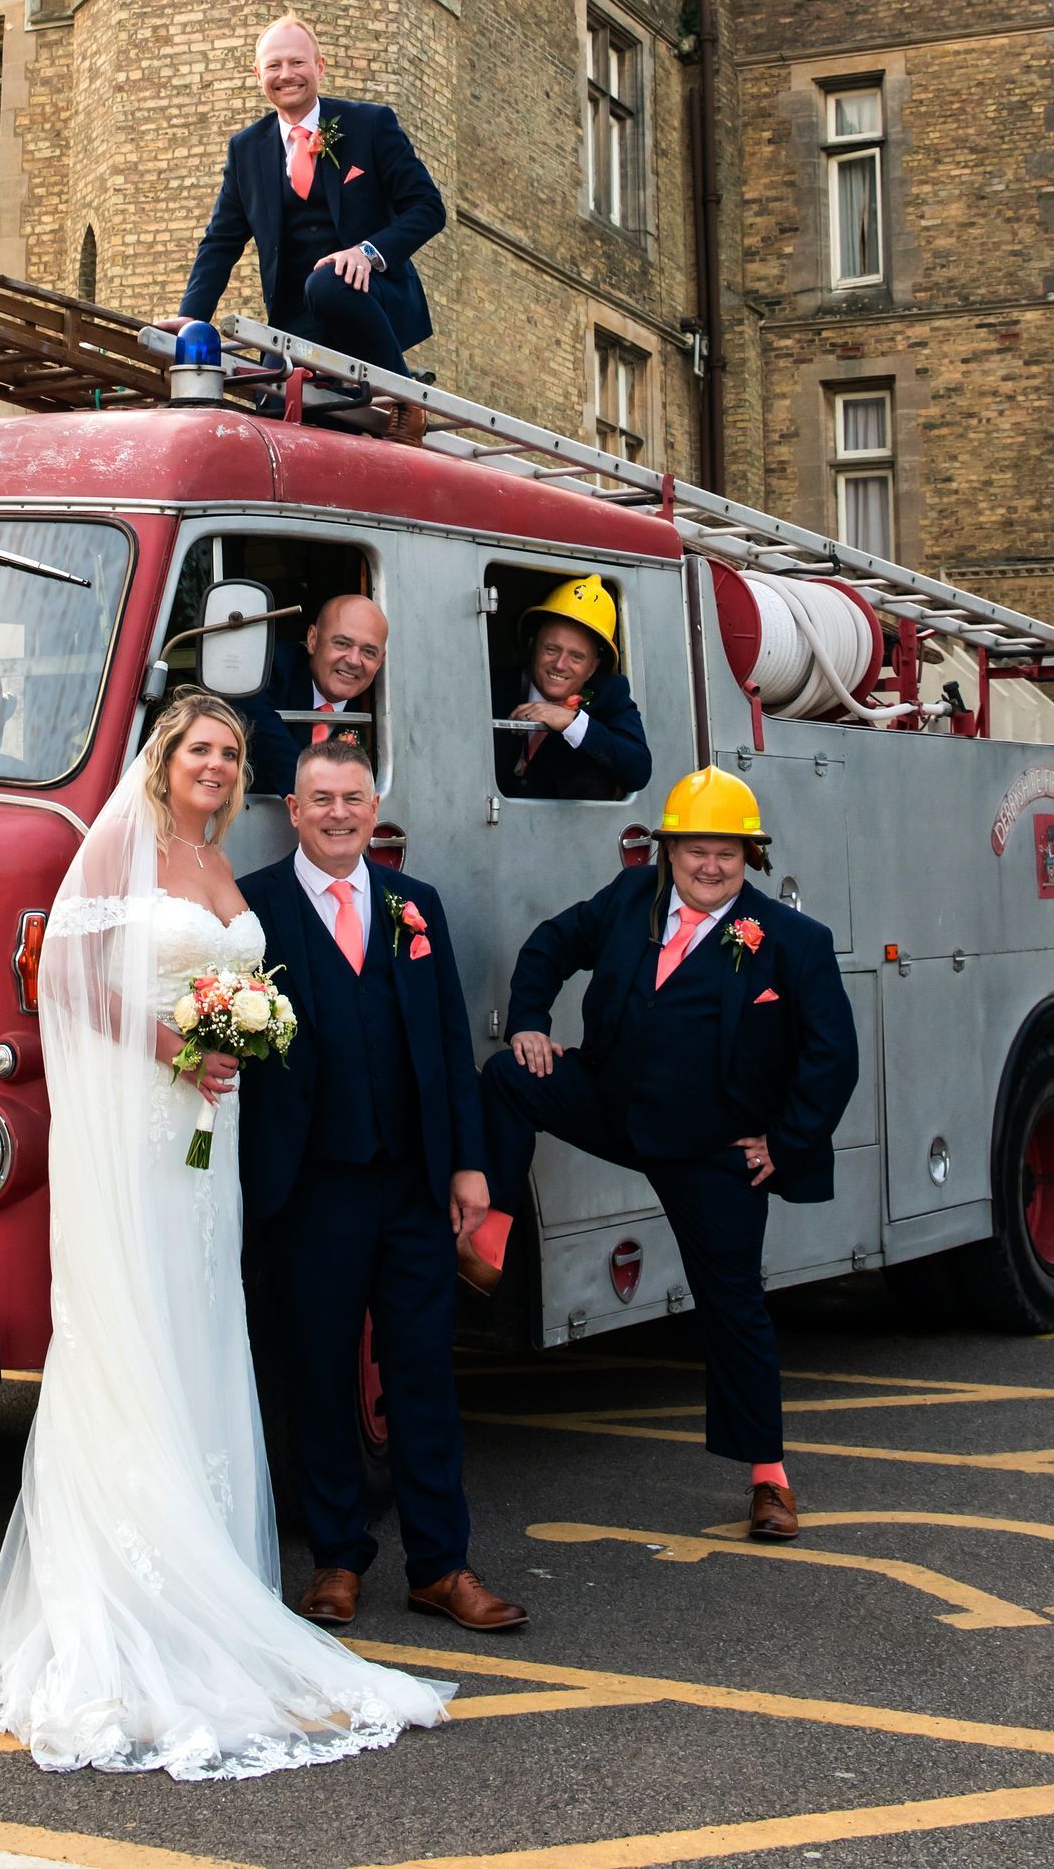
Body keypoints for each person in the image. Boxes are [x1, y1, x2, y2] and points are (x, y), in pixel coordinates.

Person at [0, 692, 451, 1777]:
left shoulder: (224, 866)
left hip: (213, 1132)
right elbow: (64, 978)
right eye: (201, 748)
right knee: (134, 1323)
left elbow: (251, 984)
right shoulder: (120, 848)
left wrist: (232, 1041)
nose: (216, 764)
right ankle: (138, 1580)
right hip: (139, 1123)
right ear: (165, 758)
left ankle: (209, 1558)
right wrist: (177, 1037)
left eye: (231, 752)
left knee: (204, 1323)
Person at [467, 767, 858, 1544]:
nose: (710, 867)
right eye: (694, 851)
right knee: (510, 1077)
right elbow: (549, 944)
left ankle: (768, 1478)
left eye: (728, 853)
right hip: (616, 1105)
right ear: (667, 851)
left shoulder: (792, 942)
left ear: (751, 856)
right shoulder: (626, 901)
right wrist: (530, 1022)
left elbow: (832, 1055)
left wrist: (787, 1139)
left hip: (714, 1149)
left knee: (733, 1306)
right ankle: (488, 1234)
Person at [238, 739, 528, 1634]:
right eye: (319, 798)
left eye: (352, 797)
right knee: (321, 1377)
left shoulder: (416, 906)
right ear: (292, 809)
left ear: (374, 807)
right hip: (309, 1189)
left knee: (423, 1375)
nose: (336, 812)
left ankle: (442, 1566)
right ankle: (336, 1560)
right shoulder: (252, 910)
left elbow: (447, 1043)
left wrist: (469, 1165)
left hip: (411, 1186)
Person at [176, 17, 445, 385]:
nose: (286, 74)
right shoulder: (246, 149)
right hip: (294, 320)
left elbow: (428, 208)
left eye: (297, 62)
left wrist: (366, 253)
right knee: (269, 403)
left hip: (369, 299)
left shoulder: (371, 124)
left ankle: (402, 399)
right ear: (258, 74)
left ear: (319, 66)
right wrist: (191, 318)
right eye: (274, 65)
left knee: (328, 282)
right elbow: (221, 243)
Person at [491, 576, 651, 804]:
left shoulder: (610, 695)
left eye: (576, 656)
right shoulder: (493, 686)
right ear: (531, 647)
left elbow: (638, 771)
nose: (559, 664)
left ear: (592, 668)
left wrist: (572, 722)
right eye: (551, 649)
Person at [240, 591, 388, 797]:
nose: (354, 660)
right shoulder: (271, 667)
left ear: (380, 662)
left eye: (369, 652)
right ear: (312, 640)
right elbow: (252, 714)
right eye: (342, 643)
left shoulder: (380, 711)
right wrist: (311, 793)